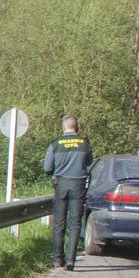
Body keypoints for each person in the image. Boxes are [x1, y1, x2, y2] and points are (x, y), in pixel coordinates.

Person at [43, 115, 92, 270]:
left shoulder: (55, 144)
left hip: (61, 184)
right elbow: (89, 162)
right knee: (75, 223)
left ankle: (58, 260)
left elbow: (47, 168)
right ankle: (71, 260)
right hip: (78, 184)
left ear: (64, 127)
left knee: (59, 224)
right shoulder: (84, 144)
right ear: (76, 127)